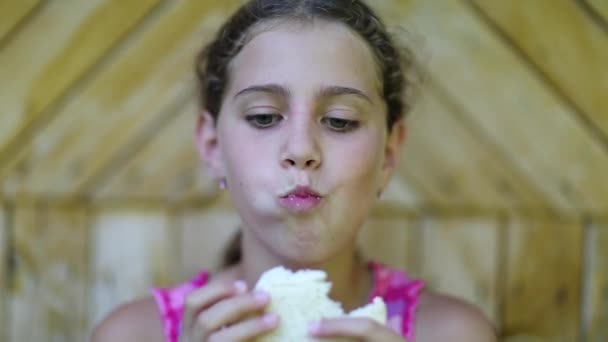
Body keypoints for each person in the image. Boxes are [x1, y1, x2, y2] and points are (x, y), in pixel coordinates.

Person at [92, 0, 497, 341]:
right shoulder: (133, 334)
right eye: (265, 117)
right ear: (213, 145)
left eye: (339, 120)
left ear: (389, 154)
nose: (301, 150)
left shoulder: (452, 333)